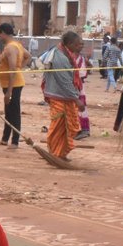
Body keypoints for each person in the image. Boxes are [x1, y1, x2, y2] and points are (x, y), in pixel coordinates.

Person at [41, 30, 83, 159]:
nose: (79, 47)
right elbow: (64, 81)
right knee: (58, 125)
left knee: (65, 128)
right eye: (77, 45)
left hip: (64, 95)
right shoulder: (60, 57)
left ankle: (61, 152)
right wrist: (76, 99)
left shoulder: (66, 54)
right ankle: (54, 152)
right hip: (58, 95)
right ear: (69, 44)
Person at [0, 23, 29, 149]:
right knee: (8, 111)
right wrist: (20, 68)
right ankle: (5, 138)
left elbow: (12, 68)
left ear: (3, 33)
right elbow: (28, 56)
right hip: (10, 83)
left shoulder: (11, 47)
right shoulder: (16, 45)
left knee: (14, 112)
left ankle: (15, 140)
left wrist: (9, 91)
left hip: (13, 85)